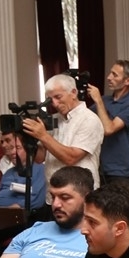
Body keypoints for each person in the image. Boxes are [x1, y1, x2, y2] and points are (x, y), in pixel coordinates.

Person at [23, 74, 105, 203]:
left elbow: (71, 158)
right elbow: (40, 158)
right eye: (50, 99)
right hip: (53, 195)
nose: (54, 104)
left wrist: (43, 135)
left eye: (58, 97)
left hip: (79, 196)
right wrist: (27, 138)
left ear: (73, 93)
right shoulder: (54, 119)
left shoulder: (89, 119)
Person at [86, 60, 129, 185]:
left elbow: (109, 129)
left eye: (114, 75)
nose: (109, 77)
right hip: (98, 166)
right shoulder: (105, 100)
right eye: (110, 73)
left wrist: (98, 101)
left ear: (128, 81)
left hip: (119, 169)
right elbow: (84, 118)